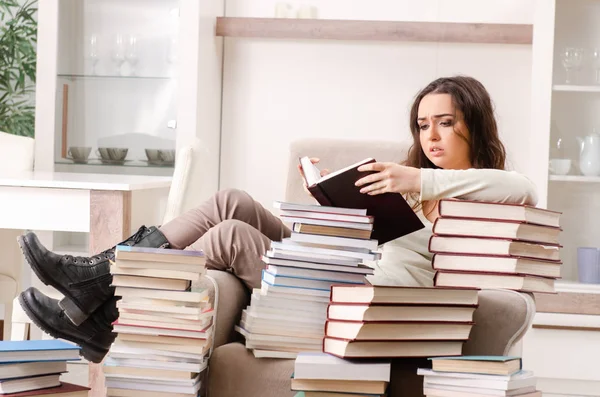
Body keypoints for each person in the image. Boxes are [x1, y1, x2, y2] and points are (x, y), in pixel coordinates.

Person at [16, 75, 537, 363]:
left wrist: (415, 180)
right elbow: (366, 237)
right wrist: (333, 199)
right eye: (424, 125)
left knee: (232, 237)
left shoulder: (485, 192)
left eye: (446, 123)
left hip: (359, 298)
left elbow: (520, 185)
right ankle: (97, 281)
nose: (432, 136)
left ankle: (104, 314)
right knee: (231, 201)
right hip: (344, 264)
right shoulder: (402, 181)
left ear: (475, 124)